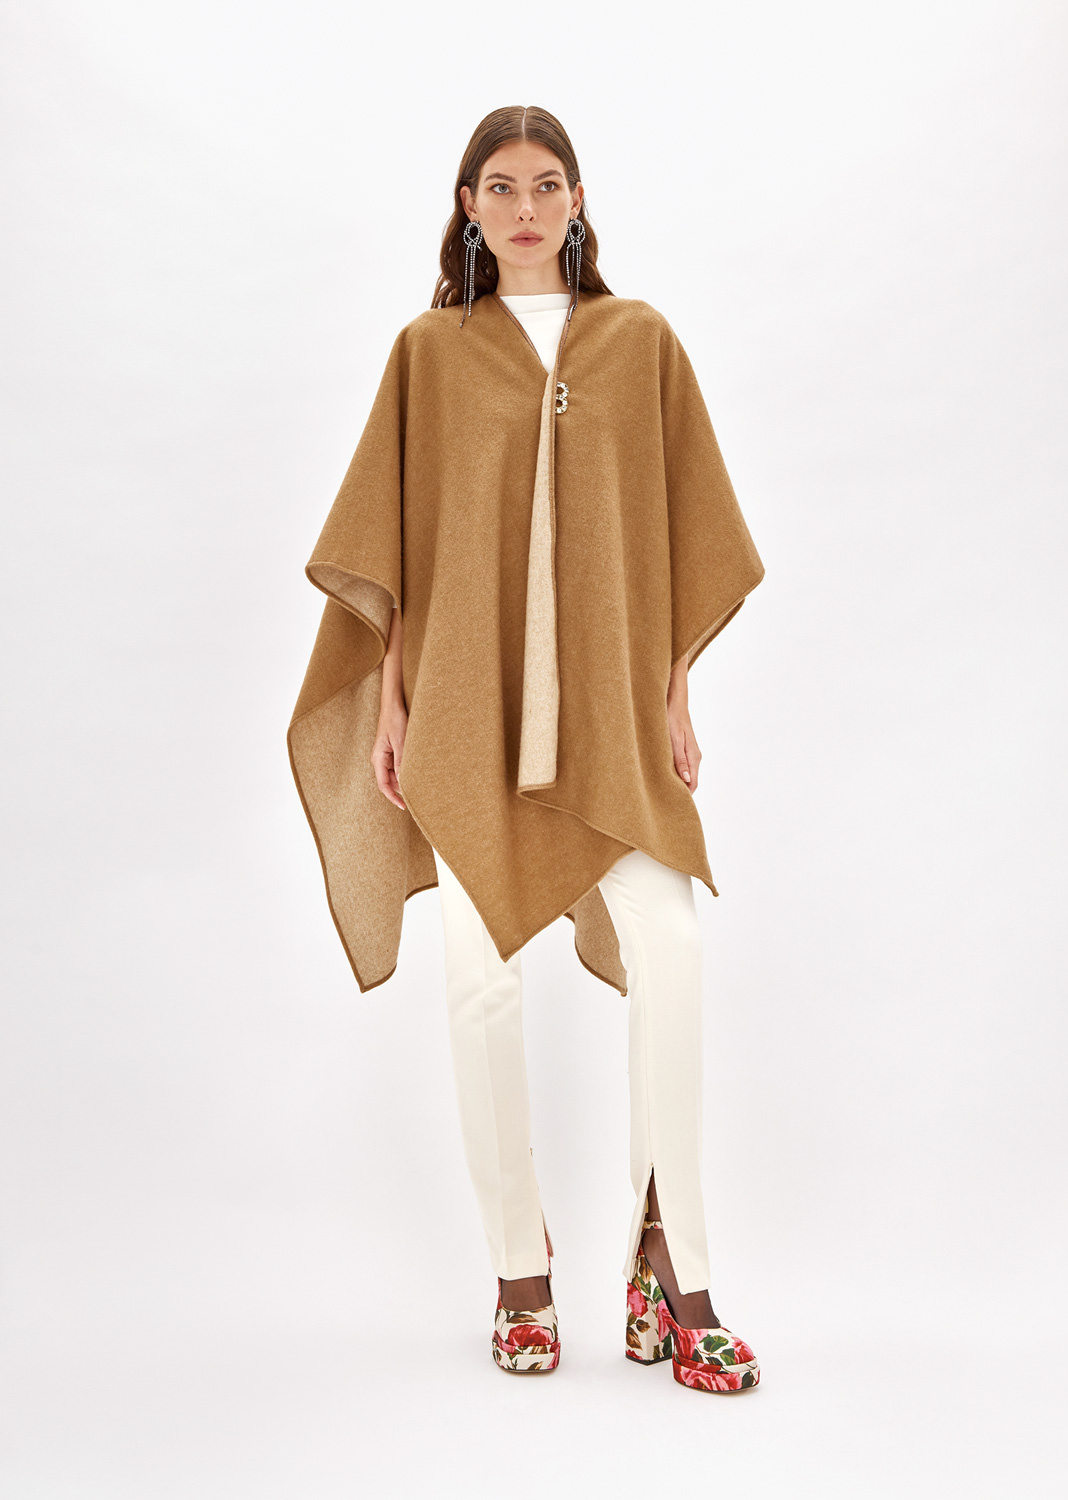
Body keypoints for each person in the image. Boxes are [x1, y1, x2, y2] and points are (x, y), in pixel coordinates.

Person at [287, 105, 765, 1392]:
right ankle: (517, 1267)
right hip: (466, 710)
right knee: (479, 986)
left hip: (612, 717)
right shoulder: (428, 355)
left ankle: (674, 1261)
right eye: (497, 187)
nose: (523, 208)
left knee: (671, 951)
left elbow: (682, 535)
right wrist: (394, 705)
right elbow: (398, 545)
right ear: (466, 207)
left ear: (577, 201)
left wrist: (674, 696)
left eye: (546, 185)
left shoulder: (639, 342)